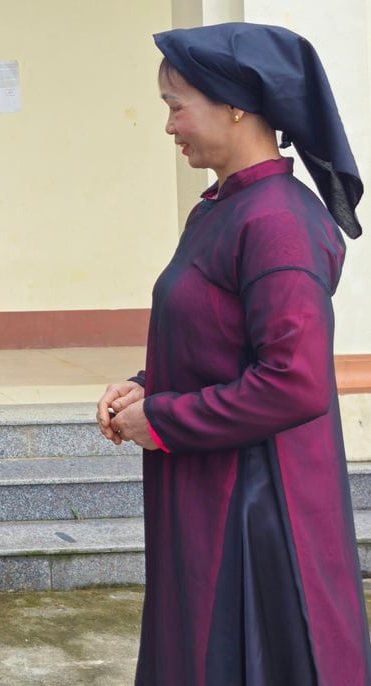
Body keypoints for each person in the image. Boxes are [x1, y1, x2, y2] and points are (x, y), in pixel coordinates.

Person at [96, 23, 371, 685]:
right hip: (210, 490)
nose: (169, 125)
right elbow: (218, 338)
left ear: (237, 104)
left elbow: (293, 383)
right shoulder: (223, 207)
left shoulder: (276, 220)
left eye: (176, 105)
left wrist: (162, 419)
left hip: (255, 512)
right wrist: (145, 386)